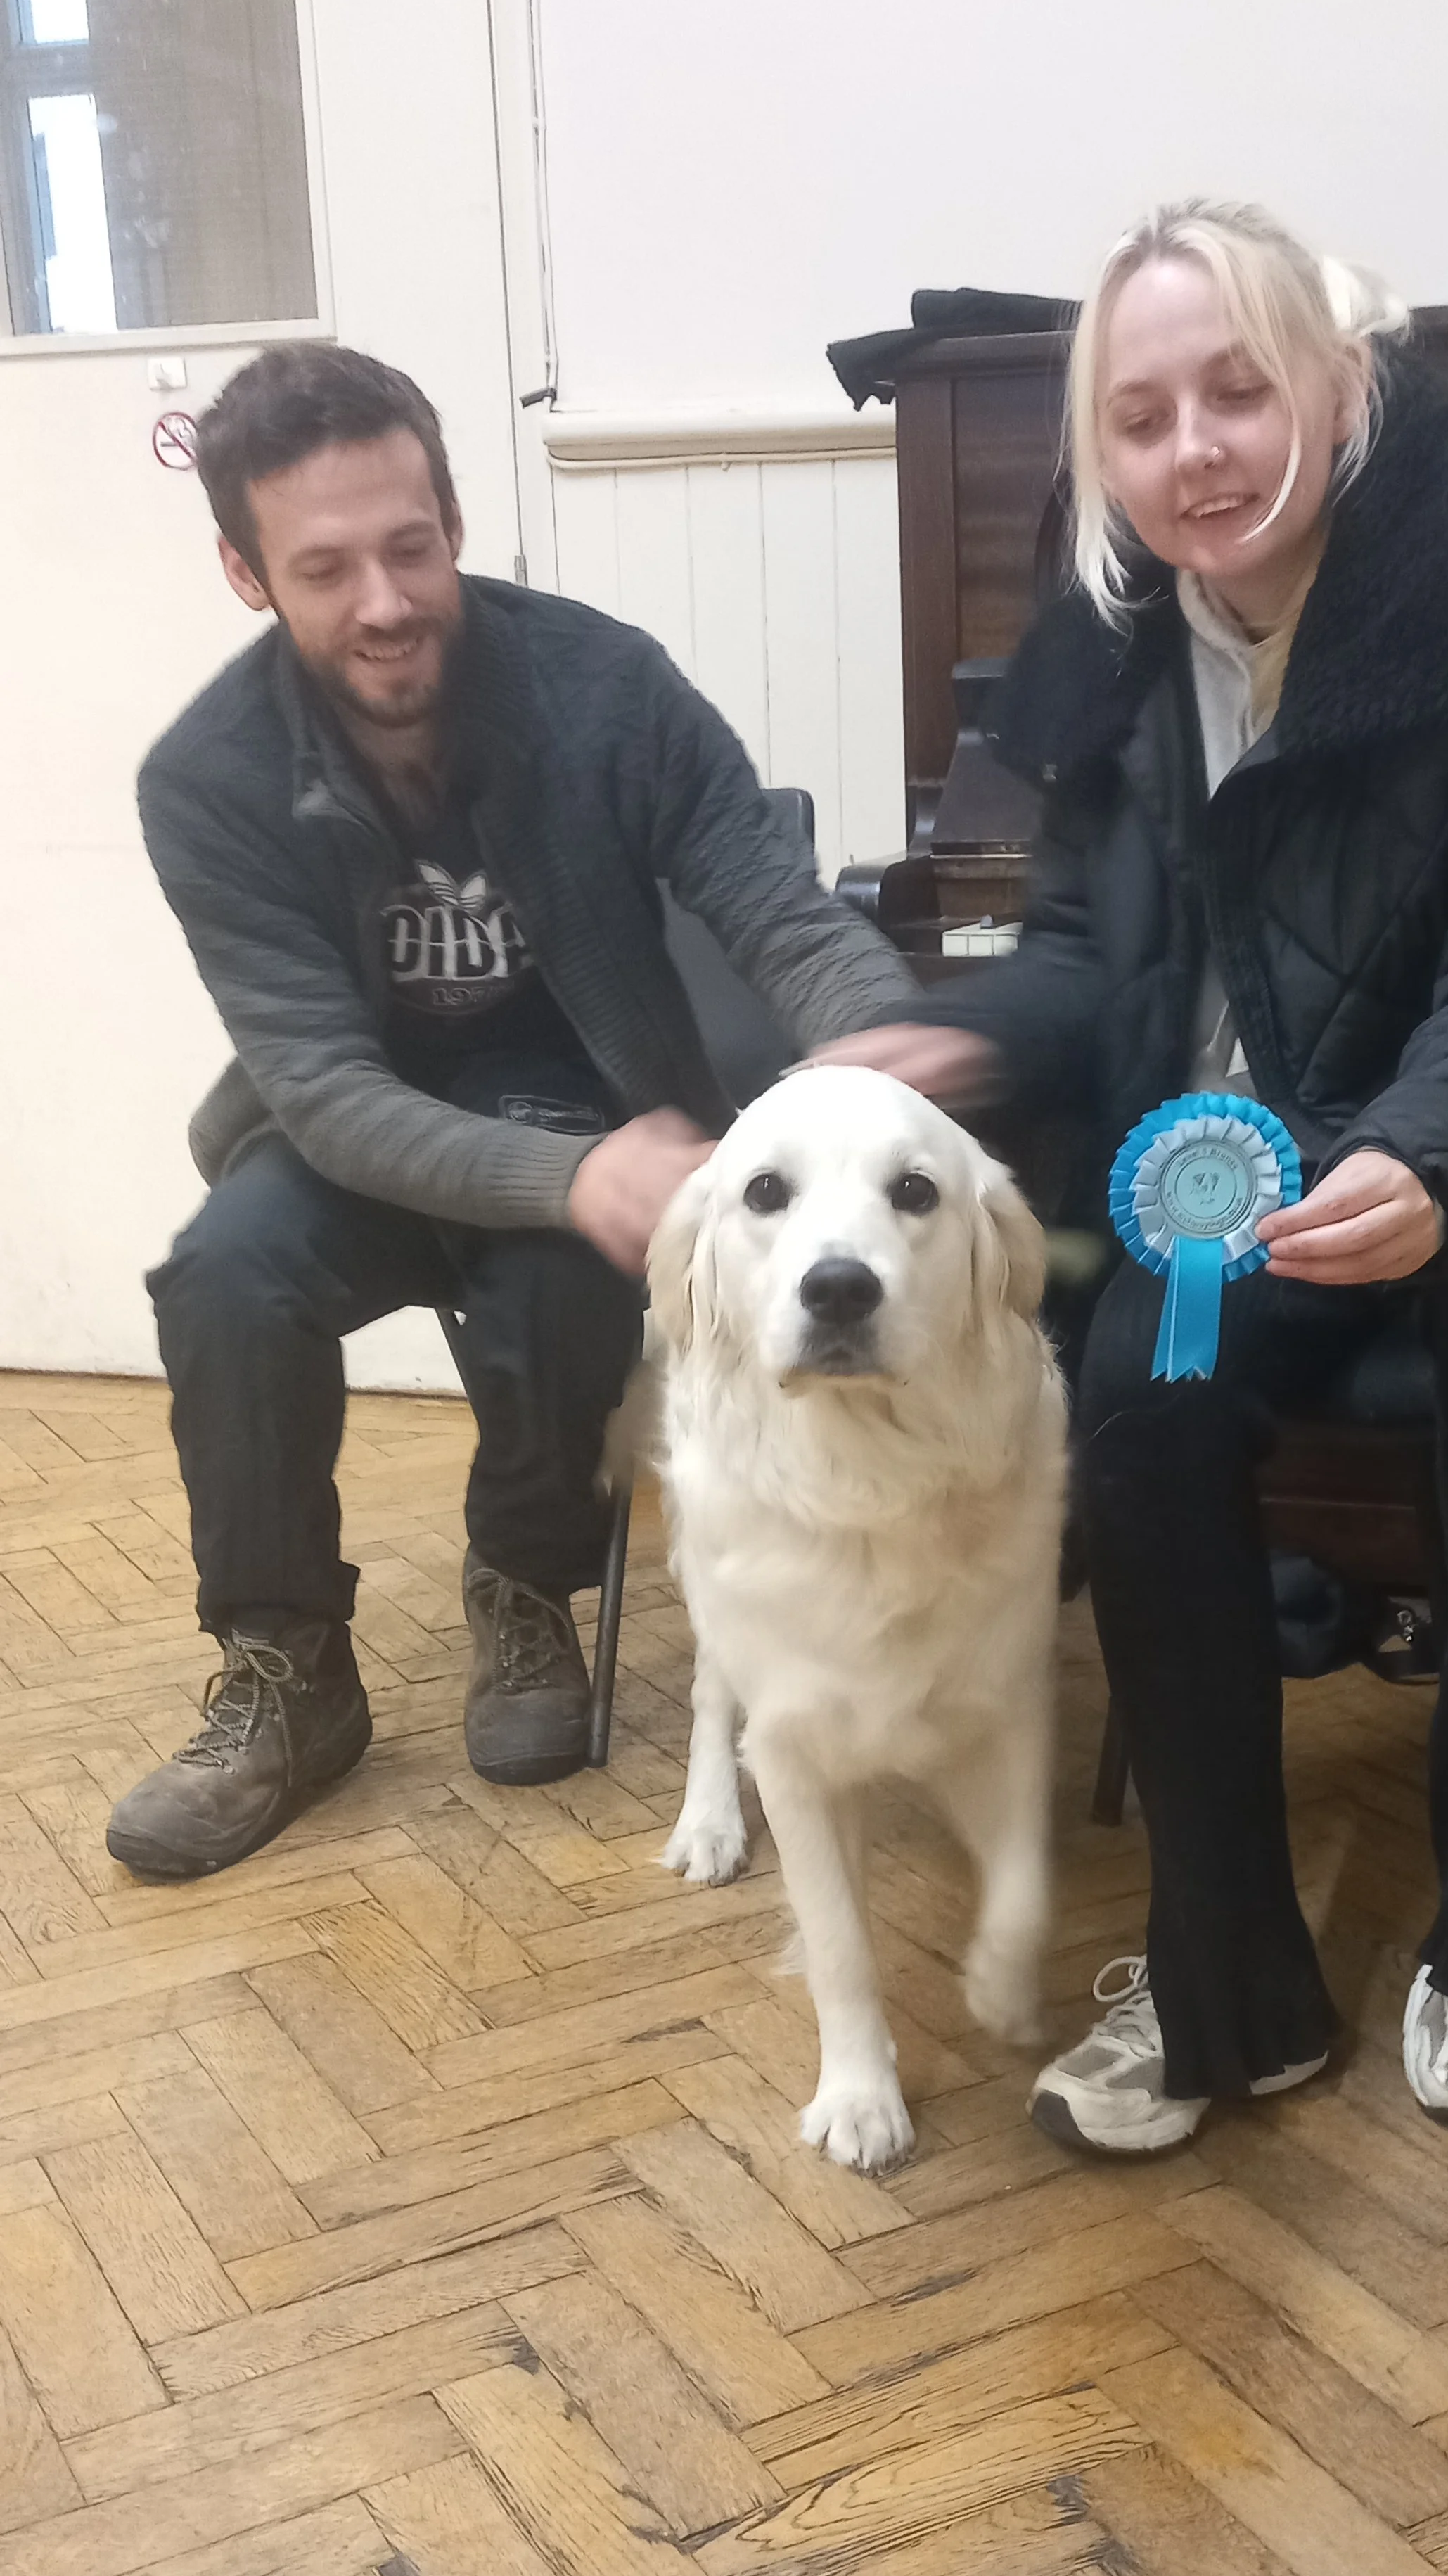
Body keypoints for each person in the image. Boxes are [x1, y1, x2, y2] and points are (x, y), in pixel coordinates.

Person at [816, 198, 1448, 2135]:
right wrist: (964, 1035)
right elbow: (1093, 947)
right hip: (1249, 1173)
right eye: (1142, 416)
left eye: (1237, 391)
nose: (1194, 453)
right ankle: (1222, 1980)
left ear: (1339, 383)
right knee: (1140, 1406)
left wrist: (1428, 1146)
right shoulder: (1109, 622)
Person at [107, 343, 916, 1880]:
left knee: (565, 1270)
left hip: (579, 1080)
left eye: (410, 547)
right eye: (326, 567)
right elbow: (331, 1096)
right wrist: (575, 1174)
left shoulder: (604, 684)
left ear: (455, 519)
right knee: (222, 1274)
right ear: (243, 568)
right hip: (353, 1130)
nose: (386, 601)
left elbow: (772, 903)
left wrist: (882, 1057)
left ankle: (522, 1584)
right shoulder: (203, 779)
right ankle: (286, 1672)